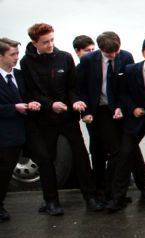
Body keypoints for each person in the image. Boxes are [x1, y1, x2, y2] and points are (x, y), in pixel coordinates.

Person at [20, 23, 103, 215]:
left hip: (67, 117)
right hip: (45, 119)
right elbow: (32, 91)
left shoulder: (65, 57)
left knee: (81, 157)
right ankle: (51, 201)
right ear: (35, 43)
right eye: (45, 42)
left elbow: (72, 87)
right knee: (47, 160)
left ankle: (90, 197)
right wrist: (50, 105)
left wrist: (75, 102)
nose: (50, 45)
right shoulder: (26, 62)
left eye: (52, 40)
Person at [74, 31, 143, 202]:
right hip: (99, 110)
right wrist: (86, 112)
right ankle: (108, 191)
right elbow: (80, 88)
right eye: (108, 53)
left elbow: (127, 86)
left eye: (115, 52)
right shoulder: (88, 60)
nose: (113, 56)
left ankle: (118, 190)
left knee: (128, 149)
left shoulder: (126, 57)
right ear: (100, 49)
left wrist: (120, 107)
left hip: (120, 108)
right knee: (112, 151)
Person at [106, 36, 145, 212]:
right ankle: (117, 197)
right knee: (124, 155)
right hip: (135, 120)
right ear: (142, 53)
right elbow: (123, 93)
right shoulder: (130, 70)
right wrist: (133, 108)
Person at [0, 37, 41, 221]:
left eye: (17, 53)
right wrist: (13, 108)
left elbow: (25, 96)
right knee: (3, 171)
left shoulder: (18, 75)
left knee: (7, 170)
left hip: (22, 131)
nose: (17, 57)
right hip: (4, 133)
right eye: (12, 54)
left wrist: (30, 103)